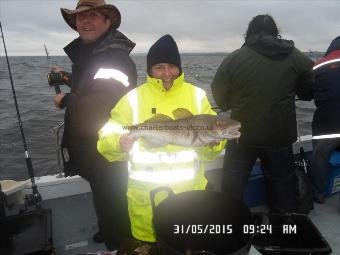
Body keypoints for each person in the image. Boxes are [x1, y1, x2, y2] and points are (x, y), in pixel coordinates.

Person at [97, 34, 225, 246]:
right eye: (159, 67)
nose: (167, 74)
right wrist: (118, 142)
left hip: (189, 200)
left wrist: (215, 143)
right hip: (146, 203)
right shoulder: (132, 99)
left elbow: (210, 152)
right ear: (150, 70)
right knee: (150, 247)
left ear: (179, 67)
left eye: (172, 66)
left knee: (186, 247)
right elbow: (104, 140)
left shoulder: (197, 96)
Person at [53, 0, 137, 249]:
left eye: (93, 15)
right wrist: (66, 78)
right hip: (93, 147)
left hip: (107, 148)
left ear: (107, 21)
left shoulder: (114, 58)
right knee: (104, 198)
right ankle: (110, 230)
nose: (85, 21)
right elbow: (91, 84)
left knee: (112, 200)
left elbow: (99, 107)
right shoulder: (95, 53)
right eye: (80, 17)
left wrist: (65, 99)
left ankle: (119, 244)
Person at [211, 14, 314, 213]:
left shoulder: (234, 58)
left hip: (241, 134)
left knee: (233, 185)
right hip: (280, 137)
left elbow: (221, 99)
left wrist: (239, 103)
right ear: (276, 33)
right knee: (282, 186)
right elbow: (309, 91)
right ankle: (282, 229)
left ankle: (231, 230)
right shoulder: (296, 56)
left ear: (248, 33)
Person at [310, 36, 340, 204]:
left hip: (327, 123)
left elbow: (316, 98)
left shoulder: (319, 68)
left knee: (320, 156)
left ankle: (318, 193)